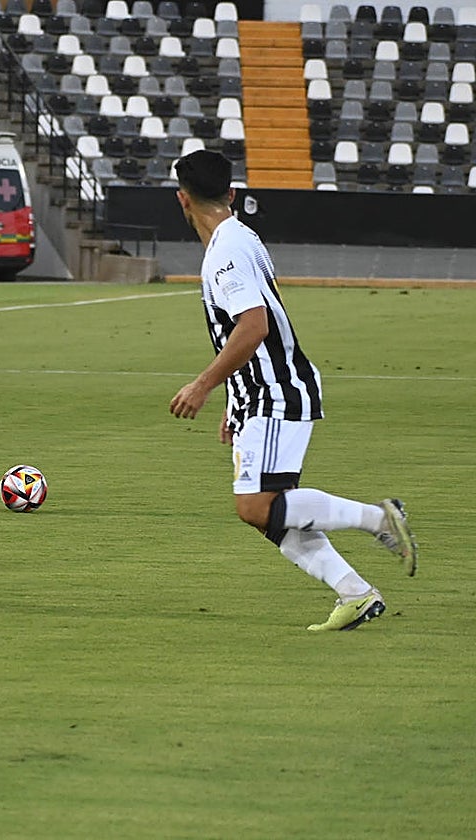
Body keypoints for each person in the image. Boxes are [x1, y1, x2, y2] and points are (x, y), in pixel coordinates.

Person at [167, 149, 418, 632]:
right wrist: (233, 396)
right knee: (270, 514)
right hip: (257, 392)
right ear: (232, 194)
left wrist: (204, 384)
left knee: (257, 505)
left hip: (275, 391)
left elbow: (254, 327)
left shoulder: (226, 250)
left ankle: (380, 519)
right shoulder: (238, 238)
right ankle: (355, 592)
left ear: (182, 200)